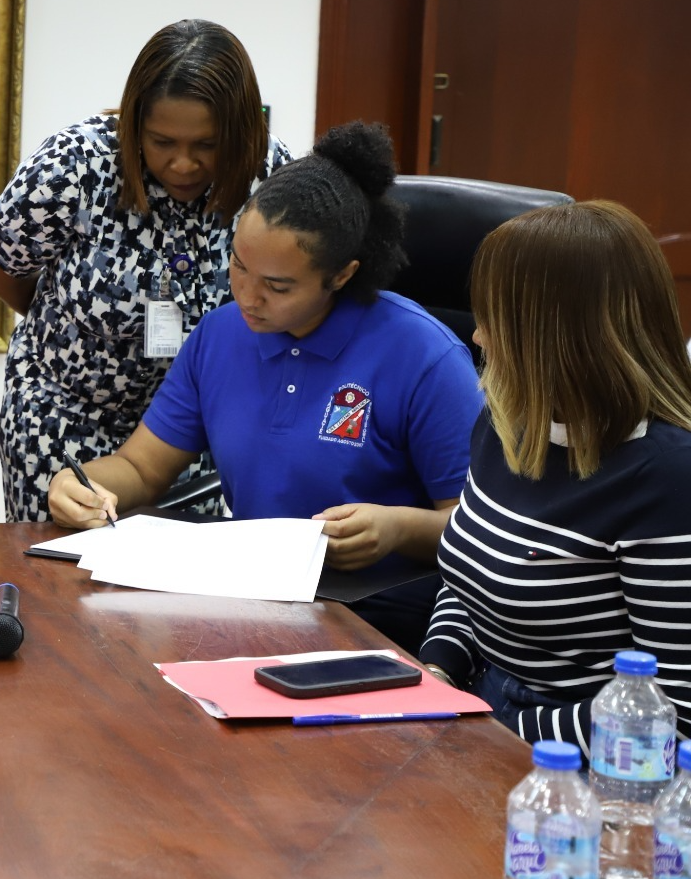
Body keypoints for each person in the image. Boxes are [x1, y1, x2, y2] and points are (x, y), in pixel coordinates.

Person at [47, 121, 483, 654]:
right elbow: (141, 468)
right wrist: (85, 485)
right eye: (238, 266)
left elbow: (478, 528)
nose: (248, 296)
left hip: (377, 612)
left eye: (277, 286)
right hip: (252, 600)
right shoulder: (221, 335)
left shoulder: (424, 356)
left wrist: (396, 529)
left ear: (341, 276)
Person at [0, 19, 293, 522]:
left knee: (179, 592)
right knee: (61, 588)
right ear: (134, 123)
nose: (183, 164)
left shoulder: (270, 175)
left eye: (206, 145)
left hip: (193, 434)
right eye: (162, 141)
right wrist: (68, 325)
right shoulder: (76, 165)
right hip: (65, 421)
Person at [420, 201, 691, 744]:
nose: (477, 338)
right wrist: (437, 671)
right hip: (480, 699)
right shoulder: (507, 421)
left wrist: (495, 727)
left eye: (493, 321)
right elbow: (469, 581)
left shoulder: (666, 478)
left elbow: (672, 714)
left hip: (583, 750)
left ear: (555, 338)